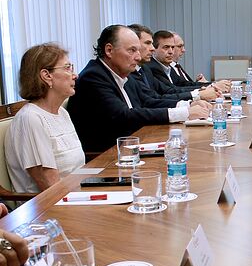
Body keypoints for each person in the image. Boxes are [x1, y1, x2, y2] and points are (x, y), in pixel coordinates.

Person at [67, 25, 209, 153]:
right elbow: (124, 116)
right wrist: (185, 113)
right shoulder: (94, 76)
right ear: (109, 50)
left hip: (133, 146)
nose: (138, 56)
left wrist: (188, 105)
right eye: (132, 50)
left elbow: (148, 101)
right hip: (107, 156)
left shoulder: (121, 72)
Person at [5, 43, 85, 192]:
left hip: (77, 195)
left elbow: (77, 170)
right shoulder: (30, 119)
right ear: (46, 76)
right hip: (47, 209)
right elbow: (51, 188)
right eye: (68, 68)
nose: (75, 75)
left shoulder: (62, 112)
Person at [126, 24, 217, 104]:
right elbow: (151, 101)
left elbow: (171, 89)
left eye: (173, 47)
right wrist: (198, 95)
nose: (152, 48)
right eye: (148, 43)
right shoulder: (149, 68)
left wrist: (201, 91)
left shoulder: (145, 69)